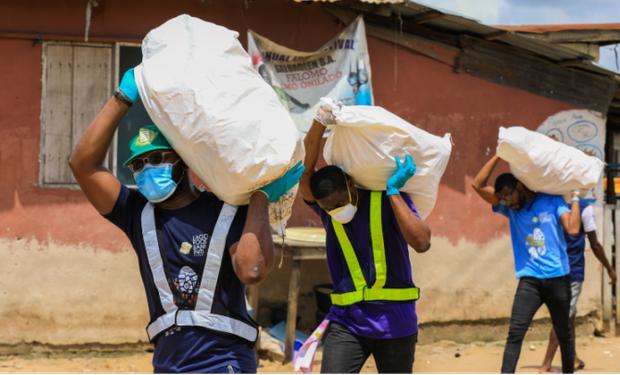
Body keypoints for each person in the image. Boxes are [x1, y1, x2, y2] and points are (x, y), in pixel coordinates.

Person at [68, 68, 304, 374]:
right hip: (167, 364)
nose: (145, 169)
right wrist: (122, 97)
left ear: (183, 161)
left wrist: (260, 197)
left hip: (224, 362)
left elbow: (252, 270)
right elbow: (82, 165)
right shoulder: (136, 211)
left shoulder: (227, 207)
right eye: (137, 164)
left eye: (156, 159)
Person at [298, 101, 432, 374]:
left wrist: (393, 191)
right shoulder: (327, 212)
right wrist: (320, 119)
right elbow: (306, 170)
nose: (335, 211)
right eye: (328, 208)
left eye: (338, 202)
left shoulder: (386, 201)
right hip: (347, 322)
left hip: (395, 323)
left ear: (350, 185)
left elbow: (422, 242)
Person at [472, 154, 582, 375]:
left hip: (558, 278)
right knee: (515, 333)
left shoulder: (552, 201)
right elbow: (477, 184)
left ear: (519, 186)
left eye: (508, 196)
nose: (507, 202)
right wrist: (499, 154)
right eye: (502, 199)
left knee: (564, 334)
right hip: (529, 281)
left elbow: (572, 229)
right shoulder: (510, 209)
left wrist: (576, 196)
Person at [539, 200, 617, 373]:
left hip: (553, 269)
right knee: (563, 317)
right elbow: (595, 244)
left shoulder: (551, 203)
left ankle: (572, 357)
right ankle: (546, 365)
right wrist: (610, 269)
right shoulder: (584, 208)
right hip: (572, 271)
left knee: (569, 314)